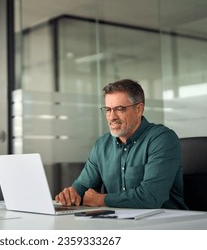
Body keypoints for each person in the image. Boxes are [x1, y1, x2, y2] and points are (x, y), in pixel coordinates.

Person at [55, 79, 188, 209]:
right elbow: (82, 188)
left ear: (139, 109)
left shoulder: (162, 139)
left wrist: (102, 199)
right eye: (108, 109)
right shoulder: (102, 145)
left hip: (165, 223)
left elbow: (151, 197)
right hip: (119, 222)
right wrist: (71, 194)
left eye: (119, 109)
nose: (112, 117)